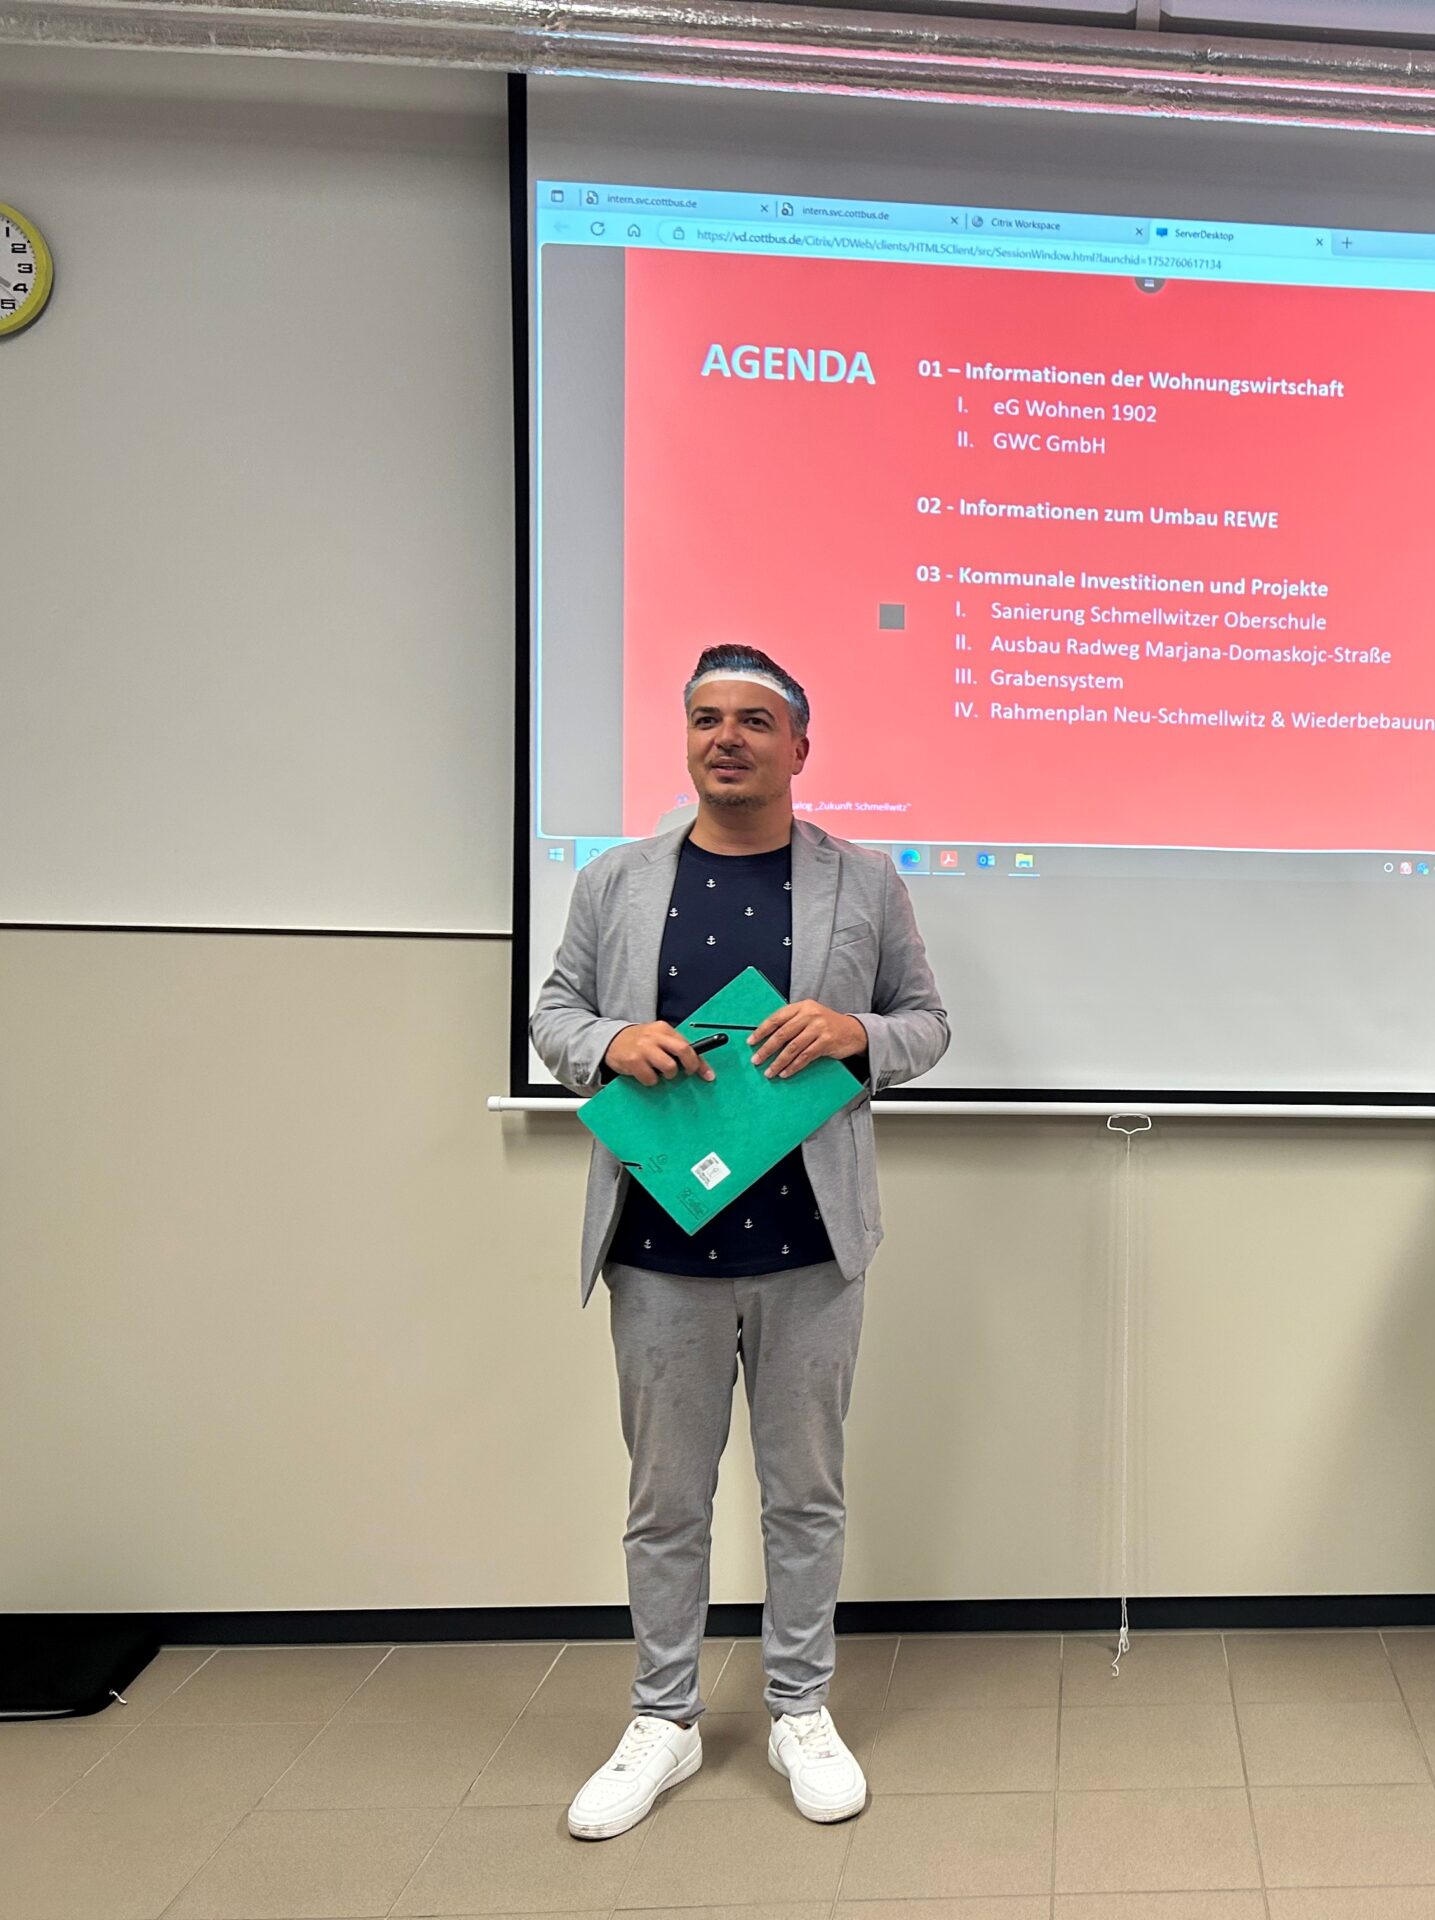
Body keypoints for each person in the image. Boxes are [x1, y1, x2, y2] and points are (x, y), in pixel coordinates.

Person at [531, 643, 950, 1840]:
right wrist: (607, 1043)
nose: (727, 738)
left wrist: (856, 1034)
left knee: (803, 1496)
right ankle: (661, 1718)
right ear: (686, 740)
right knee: (664, 1500)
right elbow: (555, 1013)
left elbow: (927, 1024)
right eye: (706, 718)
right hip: (659, 1241)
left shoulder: (863, 880)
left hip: (810, 1245)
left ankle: (799, 1707)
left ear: (798, 747)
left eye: (755, 721)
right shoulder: (616, 880)